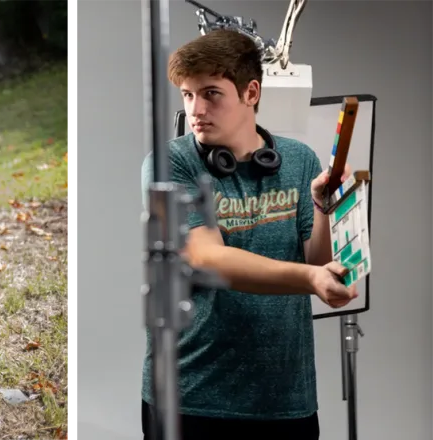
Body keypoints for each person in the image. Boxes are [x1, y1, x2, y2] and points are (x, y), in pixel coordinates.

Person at [138, 30, 358, 440]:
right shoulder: (170, 163)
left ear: (251, 92)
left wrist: (323, 209)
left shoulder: (298, 160)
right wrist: (310, 279)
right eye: (188, 95)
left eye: (211, 94)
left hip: (285, 400)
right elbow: (208, 258)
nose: (196, 109)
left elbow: (318, 262)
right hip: (190, 398)